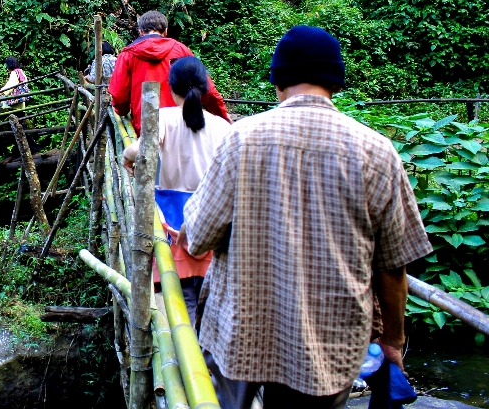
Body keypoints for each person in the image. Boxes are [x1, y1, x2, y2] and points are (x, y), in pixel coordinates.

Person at [179, 26, 432, 409]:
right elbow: (393, 266)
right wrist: (392, 342)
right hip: (329, 344)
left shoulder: (240, 140)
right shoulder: (378, 152)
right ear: (336, 82)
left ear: (278, 81)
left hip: (242, 331)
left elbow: (197, 236)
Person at [121, 57, 230, 321]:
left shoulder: (165, 118)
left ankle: (184, 356)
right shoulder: (223, 127)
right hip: (210, 220)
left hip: (172, 219)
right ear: (205, 88)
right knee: (209, 299)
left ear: (171, 87)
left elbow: (139, 150)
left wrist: (126, 155)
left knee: (183, 300)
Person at [109, 10, 229, 135]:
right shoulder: (181, 49)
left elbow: (119, 94)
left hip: (146, 128)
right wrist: (223, 116)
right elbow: (206, 87)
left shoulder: (128, 54)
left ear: (140, 32)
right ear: (166, 31)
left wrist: (122, 111)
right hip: (181, 125)